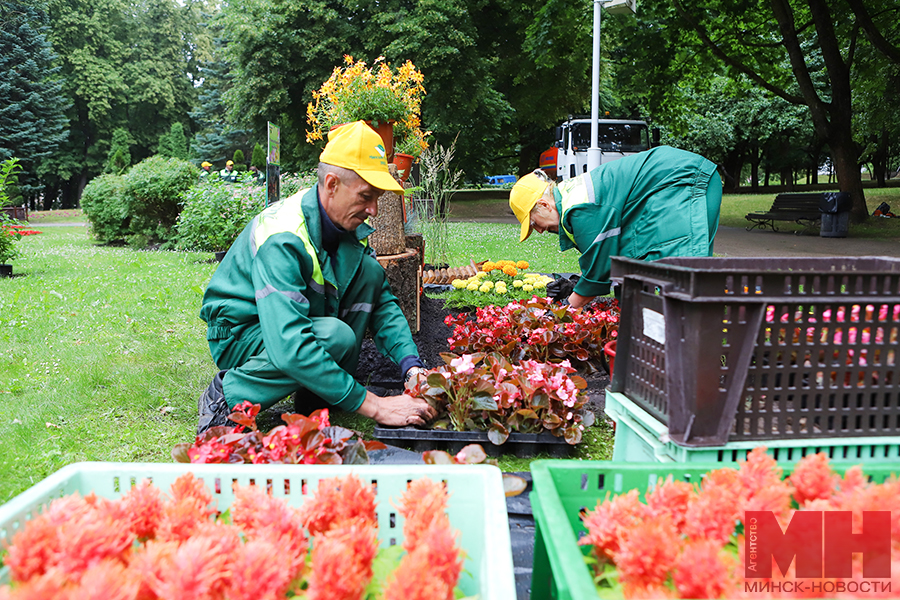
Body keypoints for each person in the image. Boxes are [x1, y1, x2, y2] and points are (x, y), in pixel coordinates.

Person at [196, 121, 435, 434]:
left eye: (376, 197)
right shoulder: (282, 236)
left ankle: (315, 396)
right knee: (336, 336)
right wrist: (376, 406)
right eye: (366, 196)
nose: (374, 209)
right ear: (332, 184)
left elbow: (381, 304)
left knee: (370, 272)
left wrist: (411, 366)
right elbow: (289, 345)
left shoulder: (345, 226)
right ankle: (230, 394)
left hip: (287, 323)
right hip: (242, 331)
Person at [510, 146, 721, 308]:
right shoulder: (570, 200)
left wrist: (564, 310)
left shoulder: (579, 209)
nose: (538, 231)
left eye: (534, 223)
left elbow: (598, 273)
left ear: (544, 205)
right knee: (637, 269)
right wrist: (576, 285)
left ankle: (696, 346)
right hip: (670, 179)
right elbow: (613, 264)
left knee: (679, 268)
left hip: (684, 179)